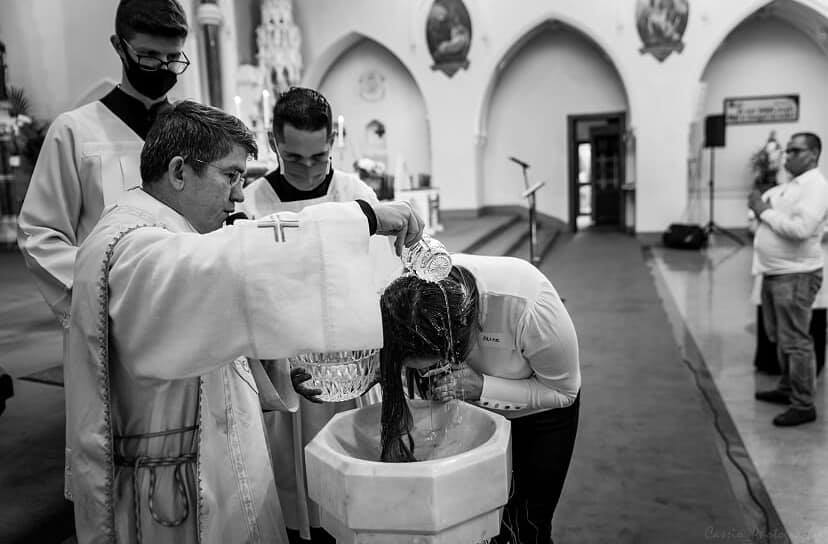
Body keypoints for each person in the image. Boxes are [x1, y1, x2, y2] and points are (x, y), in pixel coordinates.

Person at [65, 100, 423, 544]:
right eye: (231, 175)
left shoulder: (169, 232)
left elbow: (204, 331)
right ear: (179, 171)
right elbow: (229, 263)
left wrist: (274, 368)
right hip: (169, 500)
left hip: (204, 468)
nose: (238, 195)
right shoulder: (134, 245)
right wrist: (363, 218)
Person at [239, 86, 397, 544]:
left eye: (319, 157)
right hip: (286, 371)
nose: (308, 170)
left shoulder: (356, 195)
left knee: (355, 482)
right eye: (294, 158)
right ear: (274, 142)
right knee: (297, 479)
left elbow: (379, 279)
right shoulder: (250, 203)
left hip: (351, 365)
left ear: (332, 142)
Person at [379, 254, 580, 544]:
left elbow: (564, 392)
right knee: (472, 516)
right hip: (472, 409)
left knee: (526, 523)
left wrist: (483, 388)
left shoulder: (532, 307)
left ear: (460, 343)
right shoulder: (404, 297)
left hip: (540, 415)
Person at [17, 0, 189, 327]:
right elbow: (41, 234)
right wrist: (101, 292)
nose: (162, 68)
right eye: (149, 56)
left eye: (172, 58)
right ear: (119, 47)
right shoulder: (74, 132)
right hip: (112, 316)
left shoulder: (195, 131)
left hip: (187, 306)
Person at [749, 132, 828, 427]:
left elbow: (801, 230)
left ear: (813, 154)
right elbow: (769, 211)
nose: (788, 156)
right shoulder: (790, 186)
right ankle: (787, 388)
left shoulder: (816, 187)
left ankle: (803, 404)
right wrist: (763, 205)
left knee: (795, 341)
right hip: (775, 272)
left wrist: (764, 211)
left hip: (796, 275)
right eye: (788, 151)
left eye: (796, 151)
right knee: (780, 338)